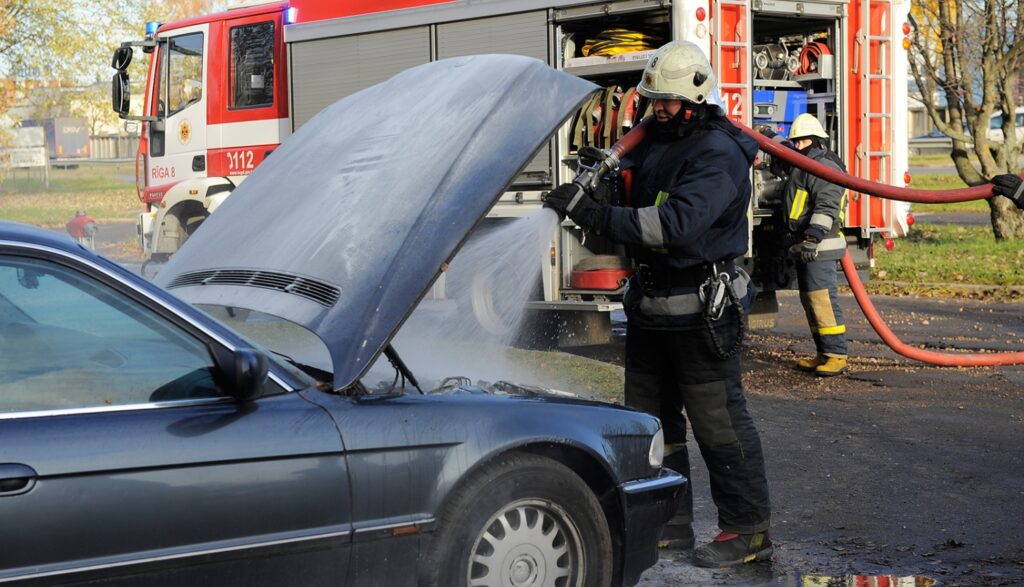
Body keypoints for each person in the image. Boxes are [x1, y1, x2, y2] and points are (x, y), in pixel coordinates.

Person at [544, 40, 772, 568]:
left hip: (700, 311)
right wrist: (598, 196)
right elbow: (635, 208)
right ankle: (667, 523)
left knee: (718, 423)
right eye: (653, 99)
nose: (658, 108)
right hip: (650, 306)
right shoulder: (652, 142)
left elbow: (675, 225)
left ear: (696, 97)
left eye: (668, 100)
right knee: (651, 425)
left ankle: (748, 531)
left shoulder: (718, 152)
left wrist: (595, 215)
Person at [760, 114, 849, 377]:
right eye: (796, 141)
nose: (798, 146)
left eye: (802, 141)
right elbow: (786, 153)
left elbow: (826, 206)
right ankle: (824, 352)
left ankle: (836, 354)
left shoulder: (824, 167)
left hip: (820, 243)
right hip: (807, 243)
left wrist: (812, 238)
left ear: (817, 141)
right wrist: (767, 136)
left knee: (822, 299)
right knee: (811, 299)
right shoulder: (806, 161)